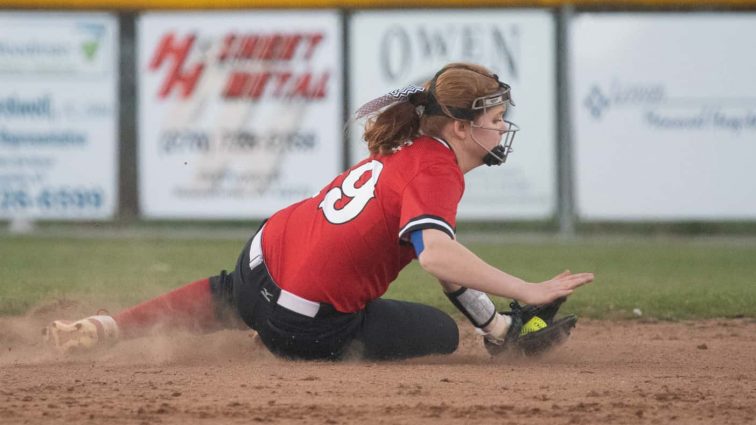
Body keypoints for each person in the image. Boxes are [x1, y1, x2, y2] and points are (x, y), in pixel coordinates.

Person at [43, 63, 594, 360]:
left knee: (230, 292)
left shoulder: (408, 152)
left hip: (258, 262)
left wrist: (496, 325)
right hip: (301, 324)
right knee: (440, 337)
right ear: (459, 127)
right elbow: (438, 258)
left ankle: (107, 327)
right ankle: (275, 334)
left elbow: (444, 257)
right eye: (495, 118)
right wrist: (527, 290)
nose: (502, 129)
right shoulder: (436, 170)